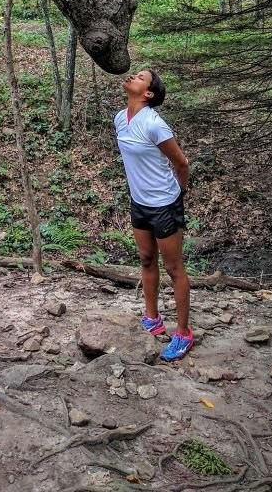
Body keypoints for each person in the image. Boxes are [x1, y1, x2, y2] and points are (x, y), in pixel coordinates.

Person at [114, 68, 193, 361]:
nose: (133, 76)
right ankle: (153, 318)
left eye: (141, 77)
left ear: (148, 93)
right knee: (146, 259)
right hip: (139, 202)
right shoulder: (120, 119)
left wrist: (178, 194)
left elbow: (181, 164)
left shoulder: (154, 125)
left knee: (174, 268)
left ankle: (183, 333)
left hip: (164, 204)